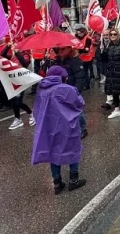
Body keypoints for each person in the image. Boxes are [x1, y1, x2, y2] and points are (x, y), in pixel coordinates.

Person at [32, 66, 86, 194]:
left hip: (48, 127)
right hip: (68, 125)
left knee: (53, 152)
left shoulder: (42, 89)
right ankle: (73, 180)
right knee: (73, 150)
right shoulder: (67, 89)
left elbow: (37, 108)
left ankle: (57, 182)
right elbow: (79, 103)